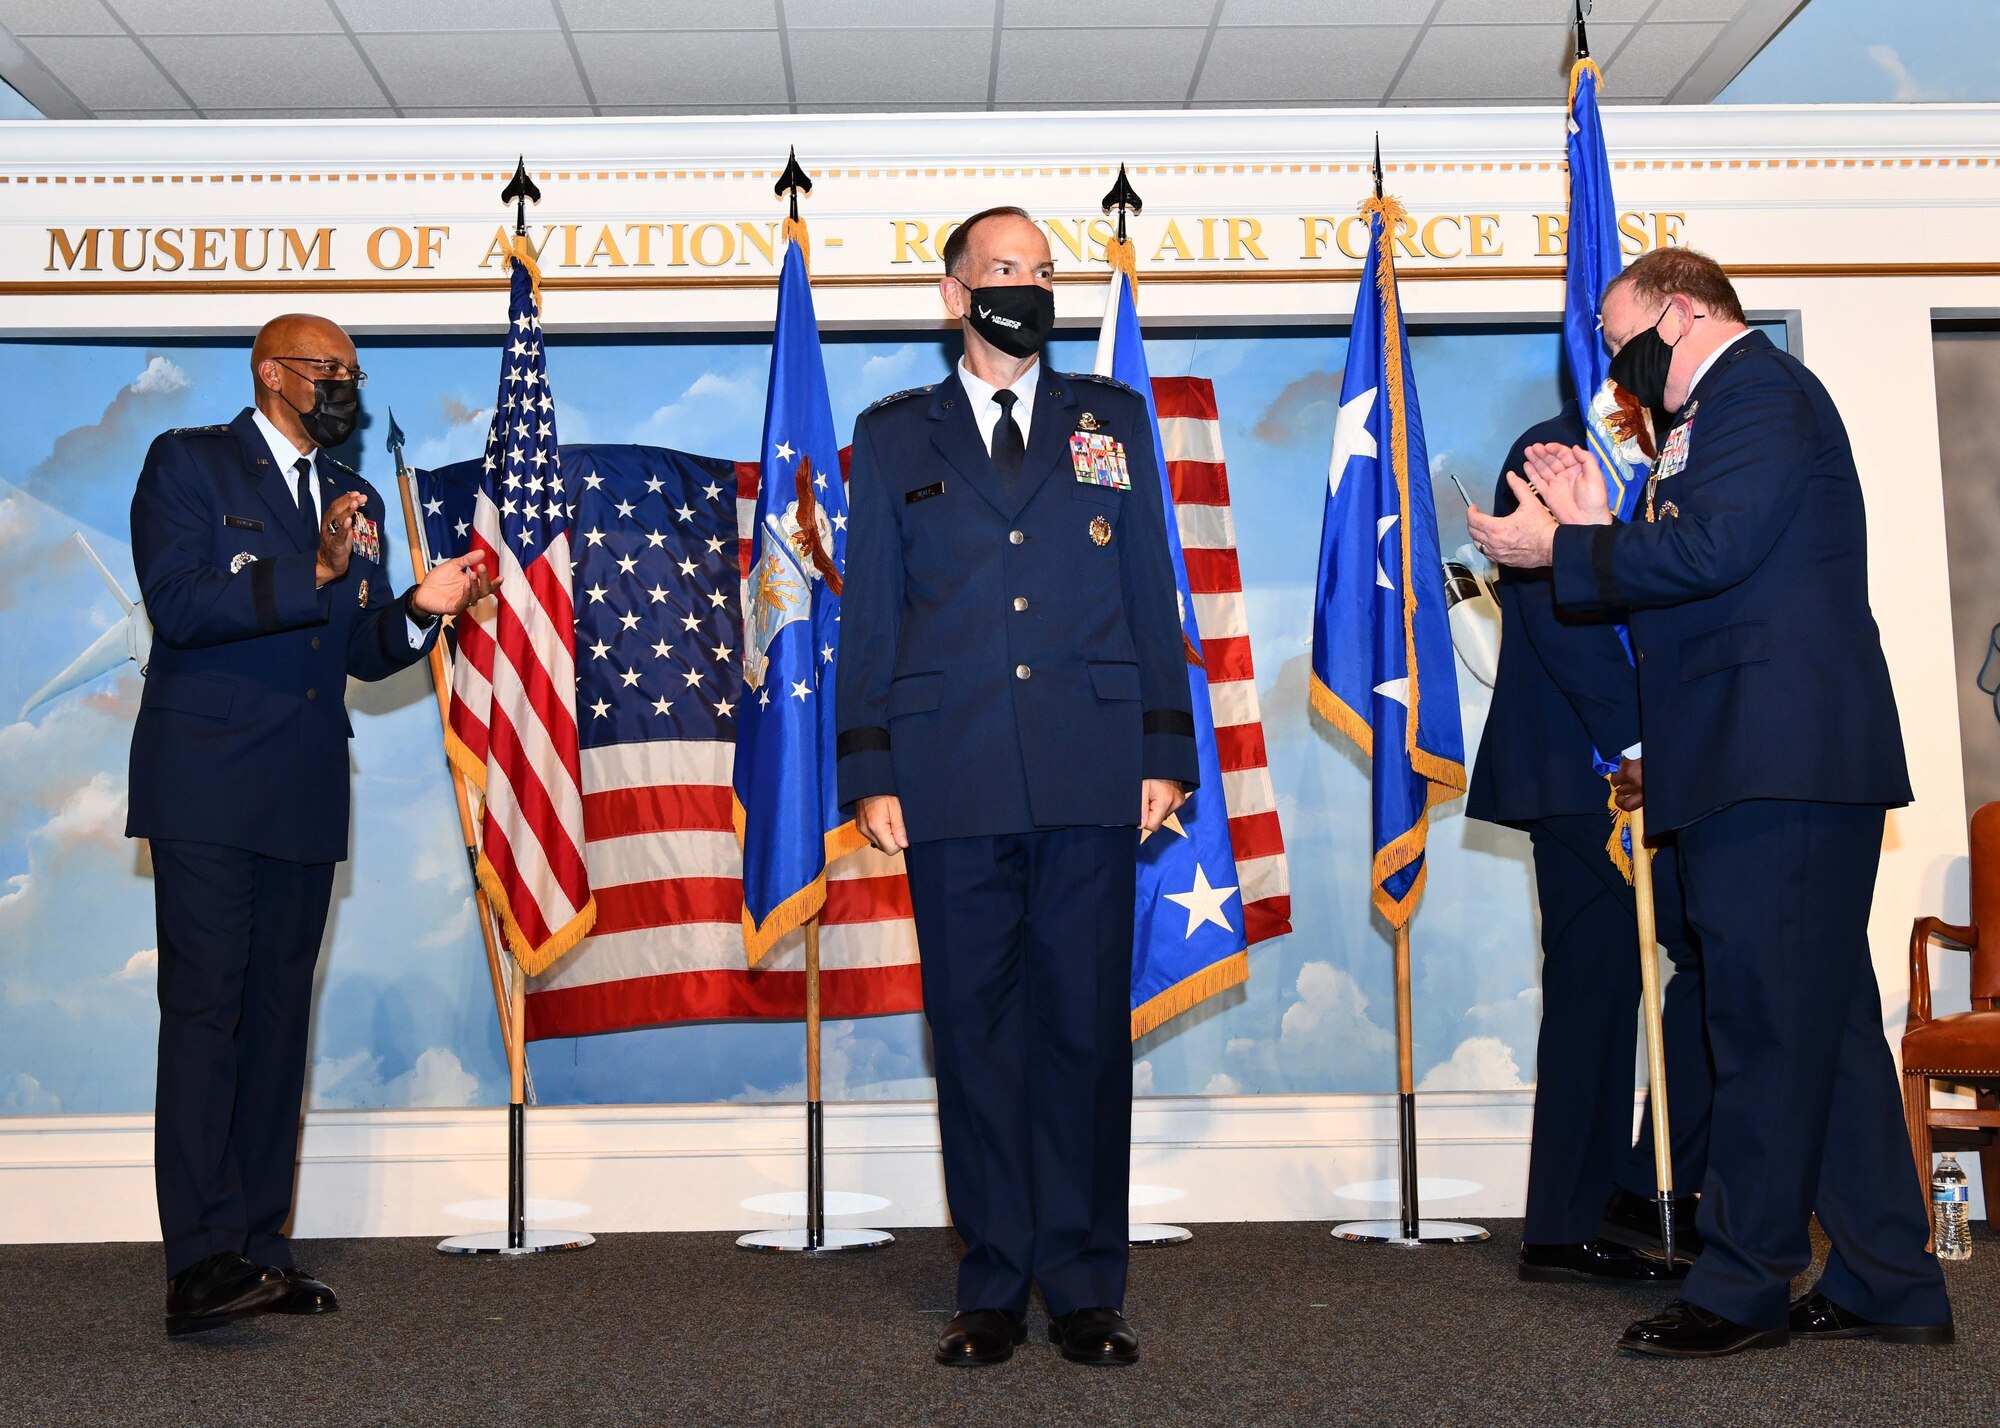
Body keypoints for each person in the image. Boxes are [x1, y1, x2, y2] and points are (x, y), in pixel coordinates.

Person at [1467, 248, 1952, 1357]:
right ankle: (1888, 1279)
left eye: (1617, 329)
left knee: (1763, 1029)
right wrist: (1600, 515)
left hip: (1774, 757)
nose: (1609, 355)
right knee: (1818, 1029)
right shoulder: (1712, 417)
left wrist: (1563, 544)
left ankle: (1743, 1283)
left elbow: (1709, 548)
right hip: (1754, 757)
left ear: (1680, 314)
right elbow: (1704, 559)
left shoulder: (1757, 393)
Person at [835, 207, 1195, 1368]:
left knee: (1086, 1029)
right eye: (1003, 270)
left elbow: (1151, 595)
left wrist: (1163, 750)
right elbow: (871, 616)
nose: (1026, 287)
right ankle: (991, 1283)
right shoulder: (895, 437)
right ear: (954, 294)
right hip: (951, 775)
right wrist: (870, 766)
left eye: (1042, 271)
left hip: (1092, 766)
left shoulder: (1111, 420)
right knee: (978, 1037)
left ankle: (1087, 1286)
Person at [127, 314, 490, 1338]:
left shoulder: (355, 495)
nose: (341, 386)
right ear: (269, 372)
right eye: (324, 369)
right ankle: (198, 1264)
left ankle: (258, 1248)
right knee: (207, 1014)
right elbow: (181, 605)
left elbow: (363, 651)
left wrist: (421, 606)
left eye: (351, 372)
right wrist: (316, 573)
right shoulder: (189, 464)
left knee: (279, 1023)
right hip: (202, 783)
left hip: (301, 788)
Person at [1466, 405, 1712, 1287]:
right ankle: (1644, 1191)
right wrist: (1639, 746)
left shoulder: (1677, 447)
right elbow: (1556, 615)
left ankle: (1584, 1212)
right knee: (1705, 958)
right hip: (1593, 768)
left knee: (1598, 985)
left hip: (1634, 762)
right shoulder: (1552, 451)